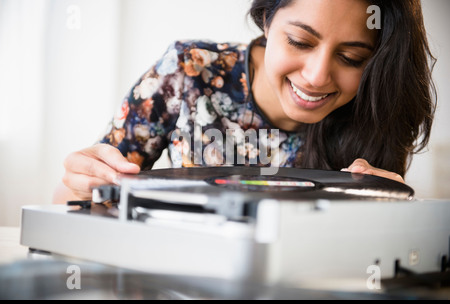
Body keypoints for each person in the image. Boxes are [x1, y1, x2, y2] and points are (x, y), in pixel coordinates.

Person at [53, 0, 436, 204]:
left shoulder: (379, 102)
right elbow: (68, 201)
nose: (317, 76)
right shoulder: (188, 70)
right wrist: (79, 185)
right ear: (267, 20)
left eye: (352, 58)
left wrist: (389, 211)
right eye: (300, 42)